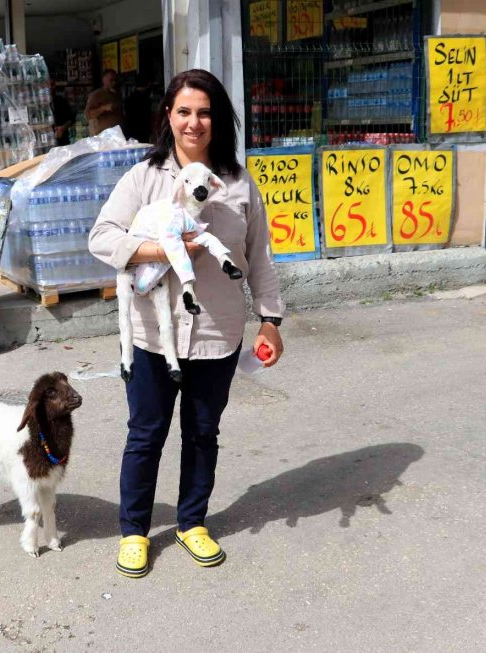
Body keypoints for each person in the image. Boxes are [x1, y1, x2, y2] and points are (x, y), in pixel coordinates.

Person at [88, 69, 285, 578]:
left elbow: (259, 257)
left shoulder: (238, 185)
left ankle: (191, 521)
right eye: (184, 112)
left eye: (204, 112)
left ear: (217, 119)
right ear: (168, 117)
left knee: (202, 433)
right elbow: (102, 237)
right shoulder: (144, 177)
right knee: (145, 434)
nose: (193, 122)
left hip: (218, 333)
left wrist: (270, 320)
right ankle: (134, 530)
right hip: (155, 336)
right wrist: (159, 249)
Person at [84, 69, 124, 136]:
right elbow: (88, 115)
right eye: (111, 80)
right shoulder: (97, 94)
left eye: (115, 80)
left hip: (117, 134)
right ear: (104, 80)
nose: (114, 83)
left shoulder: (117, 94)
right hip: (103, 135)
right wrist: (103, 108)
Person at [123, 73, 153, 143]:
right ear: (148, 84)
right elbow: (147, 115)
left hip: (130, 129)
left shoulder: (130, 97)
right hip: (142, 130)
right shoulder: (145, 98)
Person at [49, 79, 75, 146]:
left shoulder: (61, 101)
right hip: (47, 140)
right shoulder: (39, 104)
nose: (50, 87)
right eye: (48, 85)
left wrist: (62, 128)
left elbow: (71, 119)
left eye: (52, 85)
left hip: (63, 140)